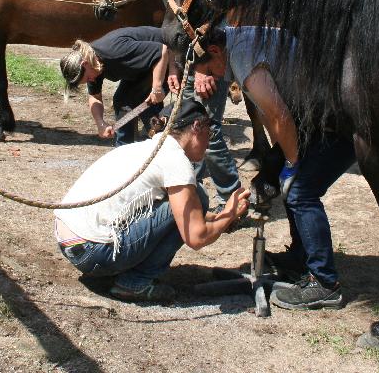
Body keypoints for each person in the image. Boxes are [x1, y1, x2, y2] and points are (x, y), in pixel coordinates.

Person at [193, 25, 354, 310]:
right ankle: (299, 260)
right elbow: (271, 116)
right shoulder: (236, 39)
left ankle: (325, 283)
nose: (215, 78)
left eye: (209, 71)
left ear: (215, 51)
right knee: (291, 184)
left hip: (340, 121)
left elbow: (279, 115)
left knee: (300, 192)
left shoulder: (242, 57)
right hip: (318, 118)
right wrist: (279, 161)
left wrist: (291, 166)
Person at [54, 99, 251, 302]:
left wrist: (213, 217)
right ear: (196, 127)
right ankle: (134, 283)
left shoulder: (146, 148)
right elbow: (196, 238)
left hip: (69, 240)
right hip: (93, 251)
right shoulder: (175, 161)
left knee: (190, 201)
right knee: (198, 196)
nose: (208, 143)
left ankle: (121, 270)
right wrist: (230, 214)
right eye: (208, 134)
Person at [109, 0, 241, 208]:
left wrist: (204, 65)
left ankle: (232, 195)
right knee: (187, 123)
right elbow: (174, 24)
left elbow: (215, 14)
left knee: (206, 126)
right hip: (190, 57)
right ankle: (191, 192)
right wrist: (172, 67)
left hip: (210, 54)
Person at [60, 26, 170, 145]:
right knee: (122, 101)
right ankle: (124, 150)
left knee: (138, 99)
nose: (90, 81)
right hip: (145, 66)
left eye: (87, 78)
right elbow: (94, 97)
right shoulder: (93, 65)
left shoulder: (113, 52)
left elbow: (161, 51)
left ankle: (163, 143)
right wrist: (100, 123)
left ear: (85, 64)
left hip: (168, 55)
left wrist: (156, 87)